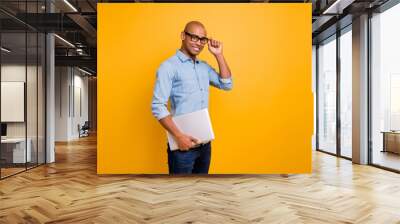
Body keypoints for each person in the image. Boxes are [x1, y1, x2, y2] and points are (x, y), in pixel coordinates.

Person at [151, 21, 233, 174]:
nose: (199, 43)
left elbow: (226, 84)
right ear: (183, 36)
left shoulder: (204, 67)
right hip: (183, 147)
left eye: (202, 39)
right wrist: (178, 136)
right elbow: (157, 106)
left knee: (200, 192)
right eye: (193, 37)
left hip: (205, 145)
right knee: (181, 193)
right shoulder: (168, 67)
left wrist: (219, 55)